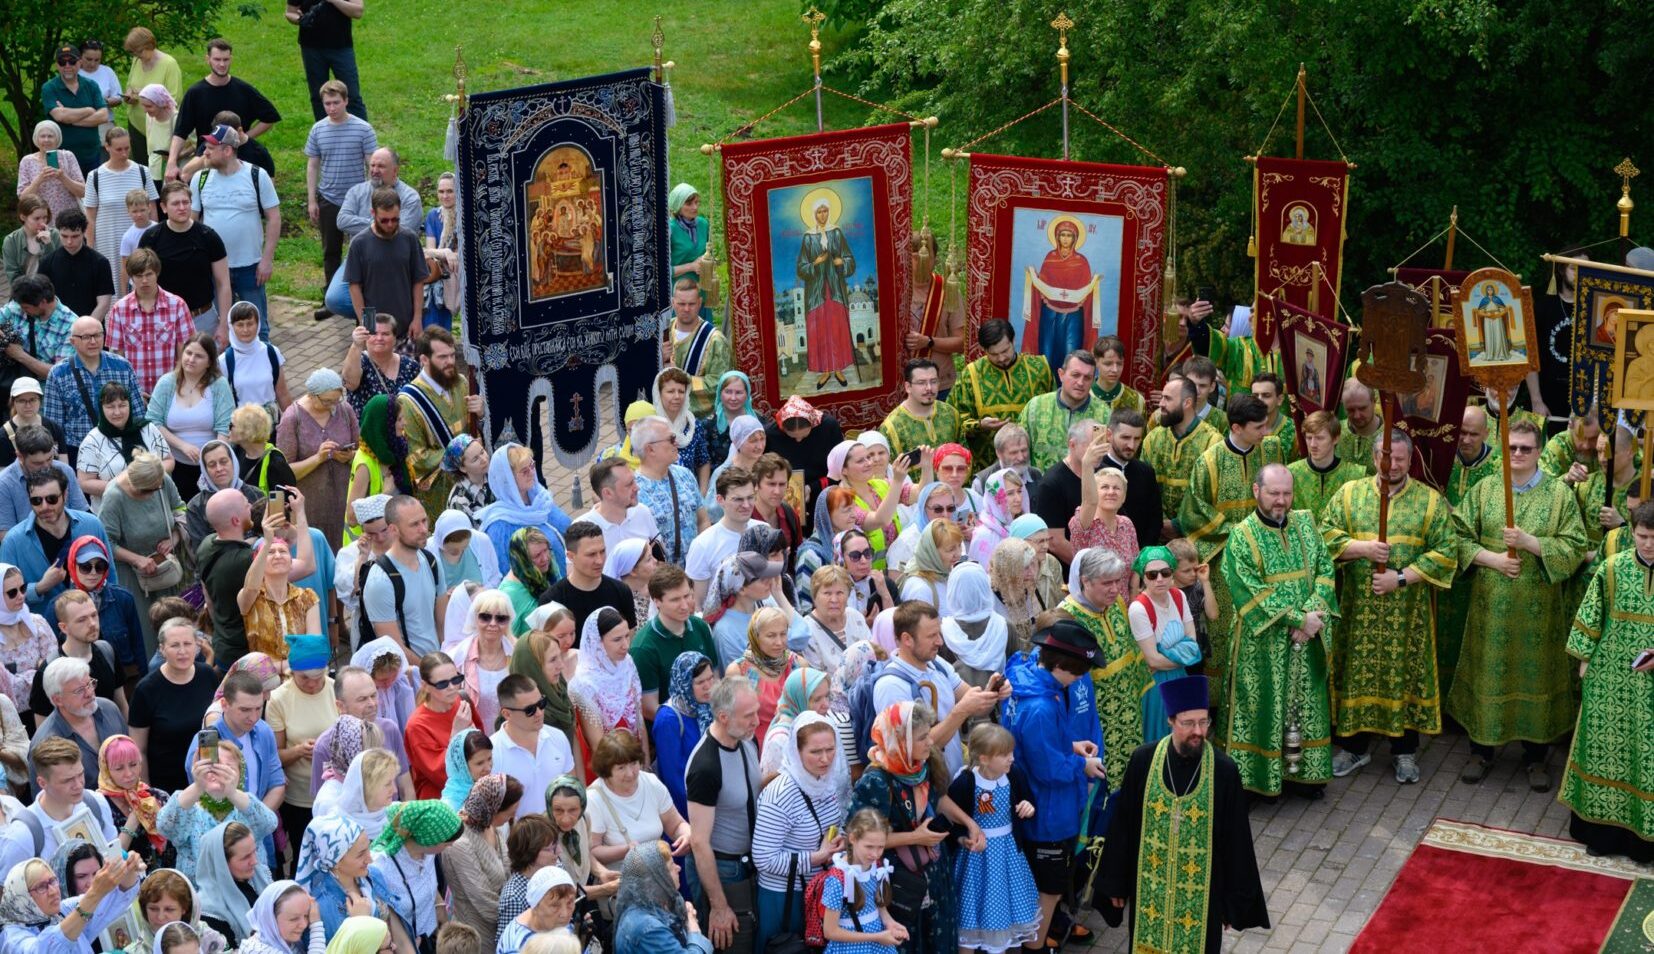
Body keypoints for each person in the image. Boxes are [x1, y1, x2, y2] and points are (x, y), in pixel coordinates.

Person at [1449, 418, 1587, 790]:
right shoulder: (1485, 490)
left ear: (1540, 451)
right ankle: (1481, 750)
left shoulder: (1559, 495)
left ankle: (1536, 756)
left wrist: (1531, 543)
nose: (1518, 454)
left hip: (1538, 611)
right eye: (1511, 448)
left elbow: (1575, 547)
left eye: (1526, 448)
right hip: (1490, 608)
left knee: (1536, 674)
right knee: (1488, 670)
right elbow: (1456, 538)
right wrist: (1492, 559)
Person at [1097, 675, 1269, 952]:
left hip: (1203, 899)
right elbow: (1124, 825)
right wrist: (1115, 882)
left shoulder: (1224, 771)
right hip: (1149, 893)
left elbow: (1236, 840)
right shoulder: (1143, 760)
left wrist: (1232, 902)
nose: (1198, 732)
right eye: (1188, 723)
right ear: (1171, 721)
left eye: (1203, 722)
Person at [1321, 432, 1456, 785]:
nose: (1392, 465)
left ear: (1410, 460)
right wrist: (1362, 549)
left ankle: (1404, 751)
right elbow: (1324, 537)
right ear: (1372, 456)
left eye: (1399, 459)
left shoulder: (1429, 501)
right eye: (1385, 458)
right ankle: (1353, 747)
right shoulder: (1350, 494)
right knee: (1354, 669)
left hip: (1406, 614)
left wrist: (1400, 578)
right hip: (1356, 610)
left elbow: (1445, 552)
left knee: (1404, 672)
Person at [1219, 463, 1337, 798]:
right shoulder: (1242, 535)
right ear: (1257, 492)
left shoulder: (1305, 522)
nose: (1281, 501)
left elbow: (1325, 569)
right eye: (1274, 493)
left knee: (1304, 703)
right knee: (1260, 707)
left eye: (1286, 493)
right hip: (1261, 643)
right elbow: (1247, 588)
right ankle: (1254, 782)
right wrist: (1298, 620)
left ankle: (1302, 776)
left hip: (1307, 635)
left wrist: (1313, 614)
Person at [1560, 501, 1654, 861]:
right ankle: (1601, 834)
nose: (1647, 545)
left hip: (1650, 686)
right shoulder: (1612, 569)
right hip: (1609, 678)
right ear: (1632, 532)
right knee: (1604, 753)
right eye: (1641, 536)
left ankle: (1643, 842)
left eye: (1653, 538)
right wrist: (1584, 661)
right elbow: (1591, 614)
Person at [1179, 393, 1287, 691]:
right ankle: (1219, 702)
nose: (1266, 433)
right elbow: (1194, 511)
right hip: (1222, 560)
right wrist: (1239, 530)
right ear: (1237, 428)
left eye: (1267, 425)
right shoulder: (1209, 461)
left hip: (1265, 555)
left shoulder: (1272, 449)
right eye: (1259, 428)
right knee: (1221, 629)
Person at [844, 701, 958, 952]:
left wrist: (970, 826)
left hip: (934, 872)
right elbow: (857, 837)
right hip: (899, 881)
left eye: (929, 733)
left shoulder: (919, 765)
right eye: (922, 737)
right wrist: (915, 836)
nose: (930, 742)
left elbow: (937, 800)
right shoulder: (876, 780)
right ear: (901, 740)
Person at [943, 723, 1041, 954]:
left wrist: (1028, 807)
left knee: (1004, 907)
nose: (1012, 759)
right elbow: (950, 819)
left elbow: (1027, 800)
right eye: (1005, 754)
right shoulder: (966, 782)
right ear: (984, 759)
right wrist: (962, 839)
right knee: (971, 913)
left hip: (1008, 854)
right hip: (977, 860)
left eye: (1011, 752)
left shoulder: (1014, 775)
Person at [751, 711, 845, 950]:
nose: (825, 758)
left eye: (830, 749)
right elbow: (763, 858)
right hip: (784, 899)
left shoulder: (826, 782)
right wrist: (817, 857)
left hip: (817, 891)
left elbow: (830, 826)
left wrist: (838, 840)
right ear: (796, 751)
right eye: (815, 752)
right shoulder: (781, 794)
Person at [685, 677, 761, 954]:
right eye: (748, 715)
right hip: (725, 870)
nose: (756, 720)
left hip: (751, 863)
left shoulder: (745, 741)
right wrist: (718, 906)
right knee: (734, 946)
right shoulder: (705, 766)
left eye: (756, 711)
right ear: (723, 716)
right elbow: (699, 842)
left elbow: (749, 789)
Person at [322, 149, 425, 324]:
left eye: (381, 166)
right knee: (335, 299)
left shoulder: (410, 197)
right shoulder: (357, 192)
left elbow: (400, 231)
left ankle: (382, 325)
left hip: (396, 260)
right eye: (373, 165)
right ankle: (370, 323)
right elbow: (342, 220)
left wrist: (378, 224)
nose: (375, 170)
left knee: (383, 298)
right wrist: (375, 225)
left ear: (395, 170)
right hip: (360, 258)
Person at [156, 741, 278, 881]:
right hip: (200, 897)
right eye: (212, 767)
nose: (218, 772)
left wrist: (232, 792)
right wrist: (198, 786)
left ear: (240, 774)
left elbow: (269, 824)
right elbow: (164, 827)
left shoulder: (246, 807)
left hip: (248, 894)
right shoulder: (189, 809)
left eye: (228, 768)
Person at [303, 78, 375, 315]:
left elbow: (372, 164)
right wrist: (312, 199)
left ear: (346, 101)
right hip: (329, 198)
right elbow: (313, 165)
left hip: (358, 201)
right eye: (327, 104)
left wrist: (373, 196)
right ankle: (330, 299)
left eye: (335, 102)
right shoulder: (318, 129)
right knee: (330, 251)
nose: (331, 108)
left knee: (363, 250)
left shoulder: (363, 129)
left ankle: (364, 297)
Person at [0, 736, 121, 877]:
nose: (78, 785)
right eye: (67, 780)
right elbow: (8, 894)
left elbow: (114, 859)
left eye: (80, 774)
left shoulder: (96, 802)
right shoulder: (22, 836)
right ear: (42, 783)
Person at [167, 37, 280, 179]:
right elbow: (181, 130)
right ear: (208, 59)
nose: (222, 64)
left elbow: (270, 117)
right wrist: (171, 162)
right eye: (217, 59)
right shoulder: (195, 93)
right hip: (207, 156)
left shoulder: (243, 90)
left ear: (231, 59)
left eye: (225, 60)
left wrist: (241, 139)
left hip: (240, 157)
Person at [949, 319, 1053, 472]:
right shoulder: (971, 375)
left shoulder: (1039, 367)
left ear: (1013, 341)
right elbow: (954, 420)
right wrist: (979, 425)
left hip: (1032, 462)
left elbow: (1053, 408)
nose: (1001, 358)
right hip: (988, 465)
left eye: (1005, 351)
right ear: (984, 349)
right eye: (994, 354)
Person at [127, 614, 216, 791]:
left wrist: (213, 772)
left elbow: (212, 729)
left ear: (197, 646)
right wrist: (148, 794)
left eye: (187, 644)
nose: (182, 651)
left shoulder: (208, 675)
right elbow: (139, 750)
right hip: (168, 785)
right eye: (175, 645)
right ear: (162, 649)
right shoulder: (146, 690)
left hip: (207, 779)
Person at [0, 850, 144, 954]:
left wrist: (129, 868)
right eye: (41, 887)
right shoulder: (12, 938)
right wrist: (95, 892)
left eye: (52, 881)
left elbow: (115, 896)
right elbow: (44, 950)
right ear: (22, 897)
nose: (52, 891)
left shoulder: (62, 911)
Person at [584, 729, 691, 868]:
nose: (630, 774)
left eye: (634, 763)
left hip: (659, 875)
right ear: (606, 769)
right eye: (621, 768)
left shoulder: (651, 782)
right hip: (621, 882)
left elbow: (676, 825)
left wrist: (687, 834)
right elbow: (592, 851)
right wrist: (626, 850)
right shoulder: (594, 799)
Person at [368, 800, 464, 953]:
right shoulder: (382, 867)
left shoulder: (428, 853)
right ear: (428, 839)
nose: (450, 846)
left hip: (431, 939)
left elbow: (427, 881)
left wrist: (439, 904)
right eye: (447, 843)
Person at [397, 329, 476, 515]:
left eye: (452, 355)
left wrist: (481, 414)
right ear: (424, 359)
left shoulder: (461, 383)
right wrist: (463, 454)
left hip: (473, 482)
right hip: (439, 493)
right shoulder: (408, 402)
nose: (450, 362)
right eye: (442, 357)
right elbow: (416, 457)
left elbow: (473, 431)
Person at [43, 316, 144, 457]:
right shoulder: (59, 373)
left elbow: (138, 413)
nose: (93, 341)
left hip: (120, 445)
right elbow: (54, 425)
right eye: (86, 337)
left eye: (97, 335)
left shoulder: (122, 367)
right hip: (77, 450)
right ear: (73, 342)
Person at [137, 183, 231, 336]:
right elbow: (141, 281)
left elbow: (223, 284)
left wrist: (224, 325)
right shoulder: (151, 238)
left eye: (185, 202)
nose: (182, 207)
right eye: (175, 203)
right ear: (163, 207)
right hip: (163, 319)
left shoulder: (209, 237)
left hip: (202, 318)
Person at [148, 335, 235, 493]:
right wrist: (183, 446)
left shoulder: (219, 385)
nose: (191, 359)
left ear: (209, 362)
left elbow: (225, 426)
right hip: (175, 463)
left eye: (199, 356)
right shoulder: (167, 383)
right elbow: (153, 421)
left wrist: (214, 459)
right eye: (188, 353)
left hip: (211, 466)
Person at [631, 564, 719, 718]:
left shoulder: (700, 627)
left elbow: (715, 678)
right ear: (657, 601)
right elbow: (649, 707)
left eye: (687, 596)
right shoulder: (643, 648)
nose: (685, 605)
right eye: (675, 600)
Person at [566, 609, 644, 782]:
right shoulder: (583, 684)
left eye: (627, 636)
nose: (626, 645)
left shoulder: (627, 663)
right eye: (617, 639)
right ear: (597, 642)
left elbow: (639, 719)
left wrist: (643, 762)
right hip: (609, 768)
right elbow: (598, 745)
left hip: (633, 759)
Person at [103, 249, 192, 397]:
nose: (144, 280)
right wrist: (131, 392)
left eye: (149, 274)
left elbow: (186, 352)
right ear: (131, 277)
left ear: (157, 273)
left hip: (171, 391)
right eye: (139, 276)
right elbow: (117, 357)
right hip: (134, 393)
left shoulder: (177, 305)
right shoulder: (119, 309)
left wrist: (177, 385)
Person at [1140, 376, 1221, 536]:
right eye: (1162, 397)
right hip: (1155, 533)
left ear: (1187, 403)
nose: (1161, 404)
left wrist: (1178, 525)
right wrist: (1158, 522)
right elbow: (1143, 486)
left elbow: (1212, 495)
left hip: (1194, 537)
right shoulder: (1153, 437)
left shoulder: (1212, 441)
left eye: (1168, 399)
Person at [343, 189, 428, 337]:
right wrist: (367, 325)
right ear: (373, 213)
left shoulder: (410, 239)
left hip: (405, 327)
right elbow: (355, 286)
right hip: (375, 330)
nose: (390, 224)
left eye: (395, 219)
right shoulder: (359, 243)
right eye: (384, 220)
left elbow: (418, 281)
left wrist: (417, 319)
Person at [477, 445, 570, 578]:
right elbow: (506, 574)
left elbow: (569, 528)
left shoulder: (541, 500)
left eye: (532, 465)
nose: (532, 472)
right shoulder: (499, 528)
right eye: (524, 471)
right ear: (507, 480)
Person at [444, 773, 518, 940]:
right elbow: (483, 900)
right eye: (510, 812)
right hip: (475, 936)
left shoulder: (492, 827)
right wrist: (521, 917)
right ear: (493, 809)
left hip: (503, 927)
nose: (513, 817)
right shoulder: (459, 844)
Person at [294, 814, 386, 940]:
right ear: (335, 861)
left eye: (368, 848)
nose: (370, 859)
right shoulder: (321, 909)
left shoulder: (373, 875)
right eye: (360, 855)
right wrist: (361, 923)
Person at [1019, 350, 1113, 473]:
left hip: (1083, 489)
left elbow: (1105, 461)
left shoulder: (1104, 415)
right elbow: (1018, 450)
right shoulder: (1035, 407)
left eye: (1087, 378)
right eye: (1075, 375)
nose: (1080, 383)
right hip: (1041, 489)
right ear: (1061, 374)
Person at [725, 607, 809, 745]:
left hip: (795, 743)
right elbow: (733, 719)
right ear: (756, 636)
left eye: (783, 634)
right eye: (771, 636)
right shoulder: (738, 672)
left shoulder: (798, 665)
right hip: (754, 746)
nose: (779, 642)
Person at [405, 652, 482, 800]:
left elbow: (483, 747)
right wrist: (456, 735)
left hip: (474, 795)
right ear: (425, 686)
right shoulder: (417, 726)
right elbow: (441, 774)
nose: (452, 687)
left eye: (456, 679)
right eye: (442, 684)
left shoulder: (462, 701)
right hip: (441, 806)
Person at [633, 415, 707, 568]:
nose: (677, 443)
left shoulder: (685, 474)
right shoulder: (633, 491)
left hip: (695, 571)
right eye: (671, 439)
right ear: (650, 449)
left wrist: (702, 558)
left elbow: (703, 520)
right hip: (660, 581)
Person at [1030, 420, 1106, 567]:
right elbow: (1055, 542)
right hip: (1072, 571)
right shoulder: (1052, 483)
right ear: (1072, 444)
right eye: (1092, 446)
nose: (1098, 452)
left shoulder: (1103, 472)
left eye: (1101, 444)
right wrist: (1093, 566)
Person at [653, 653, 715, 817]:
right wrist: (701, 810)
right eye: (700, 682)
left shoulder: (707, 707)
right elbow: (673, 778)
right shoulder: (668, 720)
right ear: (685, 683)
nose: (708, 686)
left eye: (710, 678)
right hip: (687, 809)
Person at [662, 279, 731, 419]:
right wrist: (659, 360)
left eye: (691, 304)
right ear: (672, 302)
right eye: (681, 304)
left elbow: (720, 384)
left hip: (701, 420)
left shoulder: (715, 341)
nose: (686, 309)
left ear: (699, 303)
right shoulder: (662, 333)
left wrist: (680, 377)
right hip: (666, 417)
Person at [1069, 467, 1139, 603]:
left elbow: (1136, 567)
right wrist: (1087, 463)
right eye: (1105, 487)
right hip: (1092, 608)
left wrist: (1132, 603)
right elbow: (1088, 503)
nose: (1111, 492)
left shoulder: (1127, 524)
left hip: (1123, 608)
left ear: (1124, 496)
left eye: (1117, 488)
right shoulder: (1085, 524)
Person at [0, 562, 59, 723]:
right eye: (12, 592)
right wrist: (39, 671)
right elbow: (9, 691)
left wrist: (20, 677)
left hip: (50, 711)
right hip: (10, 722)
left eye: (23, 588)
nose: (21, 595)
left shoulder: (37, 622)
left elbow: (56, 671)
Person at [763, 397, 843, 515]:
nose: (798, 440)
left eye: (804, 436)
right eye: (792, 437)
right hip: (785, 493)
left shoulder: (828, 427)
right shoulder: (771, 433)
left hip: (824, 488)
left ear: (813, 423)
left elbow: (839, 467)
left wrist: (811, 488)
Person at [879, 360, 961, 468]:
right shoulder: (891, 427)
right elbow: (888, 474)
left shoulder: (950, 413)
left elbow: (964, 456)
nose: (929, 388)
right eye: (921, 383)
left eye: (933, 381)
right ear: (908, 387)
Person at [1285, 410, 1366, 519]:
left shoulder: (1356, 475)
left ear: (1335, 439)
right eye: (1309, 438)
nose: (1313, 444)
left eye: (1319, 438)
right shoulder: (1290, 473)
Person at [37, 210, 112, 323]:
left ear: (84, 232)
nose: (69, 241)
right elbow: (41, 300)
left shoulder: (100, 262)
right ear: (58, 232)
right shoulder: (47, 263)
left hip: (91, 328)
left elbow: (104, 303)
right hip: (57, 327)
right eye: (64, 236)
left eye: (75, 236)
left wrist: (86, 327)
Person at [341, 317, 418, 419]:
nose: (379, 338)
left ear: (395, 338)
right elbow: (349, 383)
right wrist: (356, 345)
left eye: (385, 334)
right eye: (374, 333)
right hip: (367, 432)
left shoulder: (410, 366)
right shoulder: (360, 361)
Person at [800, 565, 870, 675]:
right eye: (827, 593)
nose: (834, 600)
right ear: (814, 596)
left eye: (840, 593)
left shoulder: (855, 617)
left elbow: (871, 656)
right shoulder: (807, 629)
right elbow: (817, 679)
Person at [16, 121, 87, 224]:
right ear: (36, 139)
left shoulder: (67, 156)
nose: (46, 140)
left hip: (69, 219)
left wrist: (63, 177)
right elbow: (22, 198)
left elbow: (83, 192)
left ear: (57, 138)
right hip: (40, 221)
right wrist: (40, 179)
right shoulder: (27, 161)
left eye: (50, 136)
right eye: (42, 136)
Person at [496, 866, 577, 954]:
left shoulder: (550, 925)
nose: (564, 914)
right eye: (555, 906)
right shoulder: (519, 946)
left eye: (569, 903)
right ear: (535, 906)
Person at [238, 880, 327, 954]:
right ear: (270, 919)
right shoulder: (256, 951)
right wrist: (316, 924)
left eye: (307, 915)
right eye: (294, 919)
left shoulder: (285, 940)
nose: (304, 924)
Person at [0, 379, 67, 471]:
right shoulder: (4, 434)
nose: (28, 405)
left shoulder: (53, 427)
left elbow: (64, 465)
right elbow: (3, 474)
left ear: (40, 401)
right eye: (22, 401)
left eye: (33, 400)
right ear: (13, 402)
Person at [667, 185, 710, 301]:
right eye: (689, 204)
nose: (695, 207)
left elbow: (709, 252)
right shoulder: (669, 230)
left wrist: (707, 260)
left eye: (697, 202)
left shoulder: (703, 224)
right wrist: (691, 266)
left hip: (701, 289)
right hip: (680, 295)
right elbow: (663, 271)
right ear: (677, 206)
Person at [1336, 379, 1383, 475]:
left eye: (1362, 408)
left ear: (1374, 402)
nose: (1357, 415)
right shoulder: (1335, 431)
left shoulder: (1390, 435)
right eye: (1350, 410)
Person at [134, 85, 178, 182]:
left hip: (171, 173)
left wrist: (175, 156)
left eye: (149, 106)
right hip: (153, 171)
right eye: (143, 105)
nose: (145, 110)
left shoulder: (176, 119)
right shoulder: (150, 117)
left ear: (161, 103)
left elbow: (194, 145)